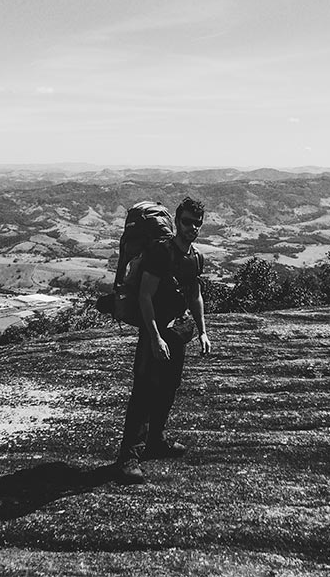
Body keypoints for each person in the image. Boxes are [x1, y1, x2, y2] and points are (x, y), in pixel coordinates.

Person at [116, 197, 211, 484]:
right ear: (177, 221)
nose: (192, 228)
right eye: (186, 222)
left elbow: (195, 294)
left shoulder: (195, 257)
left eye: (197, 224)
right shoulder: (161, 252)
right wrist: (155, 336)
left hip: (176, 330)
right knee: (144, 389)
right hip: (155, 331)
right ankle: (128, 458)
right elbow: (145, 295)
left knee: (169, 386)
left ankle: (156, 440)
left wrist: (204, 331)